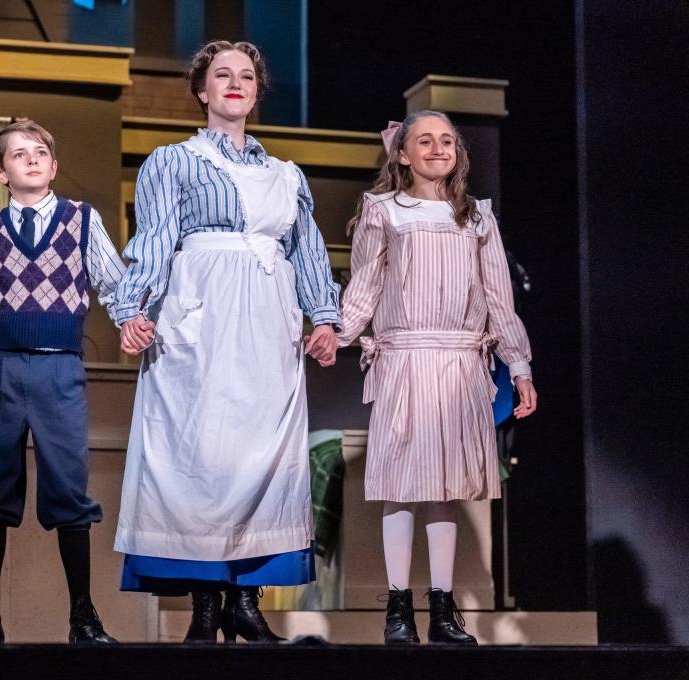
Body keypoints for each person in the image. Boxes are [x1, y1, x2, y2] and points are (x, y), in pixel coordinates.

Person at [112, 40, 340, 643]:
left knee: (260, 457)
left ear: (257, 92)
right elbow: (155, 239)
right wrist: (131, 308)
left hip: (268, 322)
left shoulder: (286, 176)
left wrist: (324, 319)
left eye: (246, 76)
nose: (235, 83)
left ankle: (246, 601)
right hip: (201, 317)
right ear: (202, 90)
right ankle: (205, 606)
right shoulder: (173, 161)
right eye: (222, 75)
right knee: (202, 459)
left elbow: (308, 252)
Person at [336, 111, 538, 645]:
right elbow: (364, 288)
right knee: (401, 487)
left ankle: (443, 609)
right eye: (424, 140)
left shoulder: (476, 218)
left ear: (458, 153)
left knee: (445, 490)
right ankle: (398, 607)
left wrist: (519, 366)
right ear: (402, 154)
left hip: (459, 367)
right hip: (405, 360)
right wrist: (332, 334)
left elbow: (499, 298)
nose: (437, 148)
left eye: (447, 140)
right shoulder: (384, 211)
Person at [0, 120, 126, 644]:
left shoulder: (81, 221)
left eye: (41, 151)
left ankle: (83, 616)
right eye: (19, 154)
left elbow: (115, 284)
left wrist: (134, 320)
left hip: (58, 369)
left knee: (70, 490)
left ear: (52, 163)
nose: (32, 159)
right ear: (0, 171)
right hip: (1, 370)